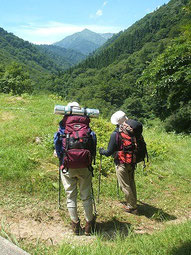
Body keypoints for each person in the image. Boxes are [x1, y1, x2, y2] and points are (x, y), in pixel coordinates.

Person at [54, 102, 96, 235]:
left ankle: (75, 225)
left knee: (71, 196)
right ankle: (89, 225)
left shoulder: (63, 129)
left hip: (67, 167)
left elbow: (57, 145)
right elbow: (93, 146)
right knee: (86, 196)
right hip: (85, 166)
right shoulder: (88, 129)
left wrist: (62, 159)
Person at [99, 110, 138, 214]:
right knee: (131, 182)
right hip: (132, 161)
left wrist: (101, 151)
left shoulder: (115, 134)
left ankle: (131, 206)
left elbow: (109, 152)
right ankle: (134, 202)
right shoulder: (132, 131)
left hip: (122, 163)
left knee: (124, 185)